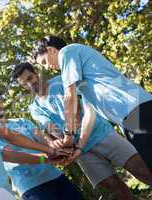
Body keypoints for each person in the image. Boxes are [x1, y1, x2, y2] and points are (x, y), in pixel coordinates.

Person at [12, 62, 152, 200]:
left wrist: (69, 132)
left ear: (36, 72)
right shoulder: (34, 107)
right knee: (118, 190)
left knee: (142, 170)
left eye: (30, 78)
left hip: (101, 134)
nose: (30, 84)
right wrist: (59, 141)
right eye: (24, 84)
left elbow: (80, 108)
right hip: (81, 152)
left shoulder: (62, 81)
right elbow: (49, 126)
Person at [32, 36, 152, 172]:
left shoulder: (67, 52)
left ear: (51, 50)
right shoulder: (86, 81)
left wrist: (68, 135)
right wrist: (80, 148)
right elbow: (90, 114)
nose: (48, 68)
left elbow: (70, 97)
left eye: (44, 62)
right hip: (128, 118)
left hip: (135, 110)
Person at [0, 87, 84, 200]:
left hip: (55, 176)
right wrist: (47, 158)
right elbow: (12, 156)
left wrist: (57, 147)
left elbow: (42, 137)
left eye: (0, 101)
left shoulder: (22, 121)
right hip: (32, 187)